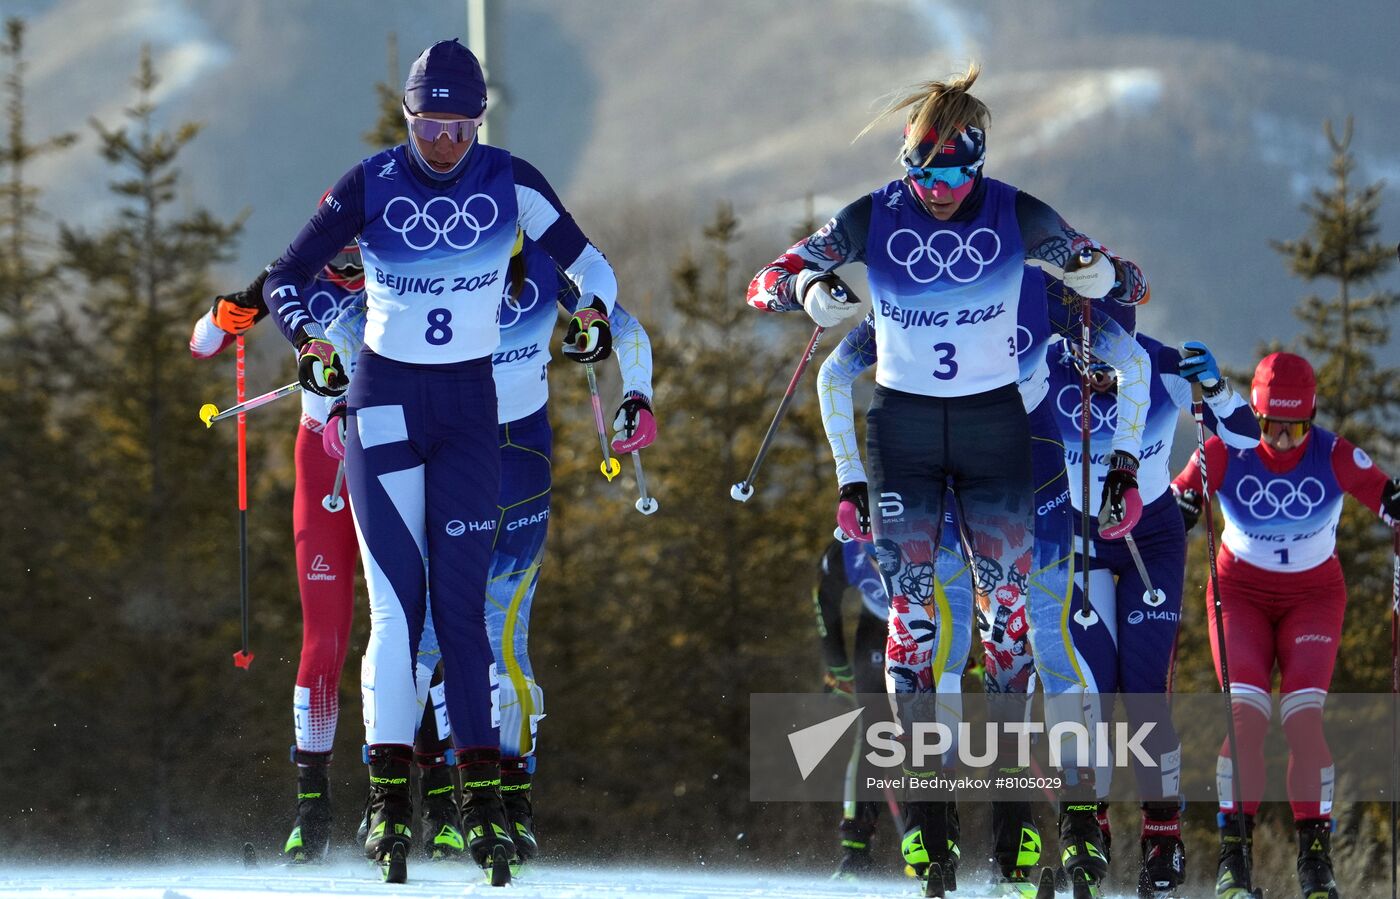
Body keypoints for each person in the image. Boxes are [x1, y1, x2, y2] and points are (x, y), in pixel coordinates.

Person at [749, 62, 1150, 895]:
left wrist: (1103, 277)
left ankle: (1014, 830)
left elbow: (1125, 282)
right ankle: (926, 825)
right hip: (904, 436)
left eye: (951, 175)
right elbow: (765, 280)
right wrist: (808, 286)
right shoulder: (875, 215)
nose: (934, 192)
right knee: (913, 622)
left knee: (1008, 630)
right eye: (920, 174)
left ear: (978, 164)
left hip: (996, 432)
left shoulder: (1014, 210)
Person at [262, 38, 618, 883]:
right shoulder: (371, 183)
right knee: (395, 609)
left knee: (461, 614)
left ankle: (481, 802)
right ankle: (387, 803)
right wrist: (309, 340)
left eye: (460, 128)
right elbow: (285, 274)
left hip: (469, 414)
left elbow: (591, 263)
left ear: (479, 122)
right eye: (431, 127)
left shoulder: (512, 179)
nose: (446, 145)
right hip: (383, 403)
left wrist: (595, 315)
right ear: (408, 117)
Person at [327, 228, 656, 865]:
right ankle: (396, 804)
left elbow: (630, 331)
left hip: (515, 458)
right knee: (412, 630)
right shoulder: (423, 246)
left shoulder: (545, 263)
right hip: (432, 448)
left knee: (504, 635)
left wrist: (636, 395)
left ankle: (509, 803)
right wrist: (337, 388)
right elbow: (349, 323)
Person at [817, 265, 1146, 896]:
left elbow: (1127, 355)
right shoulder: (905, 282)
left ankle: (1060, 827)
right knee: (939, 639)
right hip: (930, 472)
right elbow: (835, 371)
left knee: (1032, 643)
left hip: (1029, 474)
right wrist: (850, 478)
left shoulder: (1034, 283)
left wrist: (1123, 467)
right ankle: (933, 826)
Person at [188, 239, 467, 862]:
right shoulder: (291, 276)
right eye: (335, 256)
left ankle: (439, 807)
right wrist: (222, 316)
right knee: (325, 640)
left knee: (413, 631)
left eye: (355, 256)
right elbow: (203, 343)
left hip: (390, 454)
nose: (344, 270)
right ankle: (310, 810)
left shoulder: (403, 277)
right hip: (322, 463)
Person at [1171, 352, 1400, 899]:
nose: (1280, 439)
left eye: (1294, 426)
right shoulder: (1224, 449)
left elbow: (1388, 498)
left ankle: (1316, 860)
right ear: (1253, 413)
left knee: (1302, 721)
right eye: (1270, 424)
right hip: (1240, 596)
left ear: (1311, 417)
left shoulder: (1334, 454)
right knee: (1245, 719)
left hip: (1314, 599)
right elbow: (1174, 506)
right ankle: (1235, 858)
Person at [1045, 333, 1257, 896]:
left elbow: (1246, 437)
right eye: (1087, 370)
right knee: (1089, 686)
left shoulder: (1159, 363)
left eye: (1108, 371)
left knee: (1143, 693)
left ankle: (1163, 836)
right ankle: (1083, 820)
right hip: (1079, 537)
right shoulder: (1047, 359)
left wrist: (1213, 385)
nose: (1097, 381)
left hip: (1152, 539)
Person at [812, 536, 895, 879]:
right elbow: (825, 603)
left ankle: (939, 841)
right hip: (879, 628)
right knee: (876, 732)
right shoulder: (844, 549)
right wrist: (839, 668)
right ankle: (856, 852)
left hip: (941, 623)